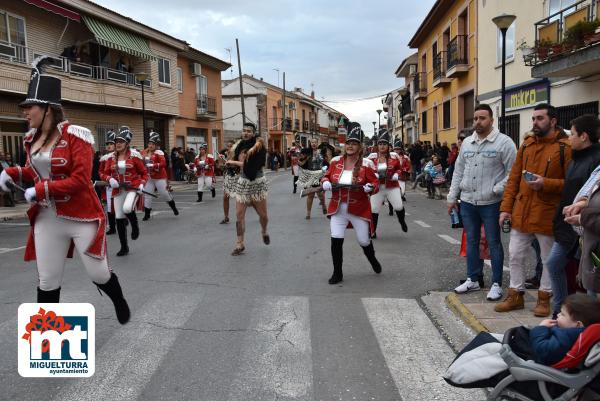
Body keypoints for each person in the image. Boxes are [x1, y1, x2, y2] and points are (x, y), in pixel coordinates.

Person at [0, 56, 129, 323]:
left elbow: (81, 180)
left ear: (47, 108)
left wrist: (42, 189)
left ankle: (118, 298)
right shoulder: (30, 140)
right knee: (47, 280)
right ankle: (49, 340)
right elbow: (33, 173)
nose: (25, 112)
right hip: (47, 218)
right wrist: (10, 173)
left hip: (81, 216)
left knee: (98, 273)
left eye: (30, 106)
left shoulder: (76, 136)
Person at [496, 103, 572, 317]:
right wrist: (505, 209)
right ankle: (515, 295)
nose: (535, 122)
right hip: (522, 210)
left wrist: (546, 183)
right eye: (533, 118)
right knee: (515, 254)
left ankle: (544, 298)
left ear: (553, 121)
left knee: (548, 259)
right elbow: (513, 178)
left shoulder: (565, 148)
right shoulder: (527, 145)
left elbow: (572, 183)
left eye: (540, 118)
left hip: (547, 212)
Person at [449, 104, 517, 301]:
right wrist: (452, 197)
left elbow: (513, 173)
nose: (478, 122)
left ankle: (496, 283)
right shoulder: (468, 143)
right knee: (471, 241)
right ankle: (473, 278)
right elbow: (458, 171)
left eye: (482, 118)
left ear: (491, 120)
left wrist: (497, 189)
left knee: (494, 242)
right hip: (468, 201)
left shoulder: (504, 143)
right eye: (475, 118)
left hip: (492, 202)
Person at [543, 115, 600, 318]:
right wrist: (578, 205)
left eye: (573, 134)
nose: (569, 139)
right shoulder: (577, 158)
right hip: (570, 225)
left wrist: (581, 212)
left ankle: (569, 316)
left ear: (584, 136)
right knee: (558, 266)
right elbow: (585, 193)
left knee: (587, 282)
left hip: (584, 230)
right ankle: (563, 313)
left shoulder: (595, 160)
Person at [321, 122, 381, 284]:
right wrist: (325, 182)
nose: (350, 146)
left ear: (360, 147)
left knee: (363, 241)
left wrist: (370, 188)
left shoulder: (366, 164)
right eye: (348, 143)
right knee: (336, 239)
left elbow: (375, 183)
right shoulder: (335, 162)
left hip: (358, 209)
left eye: (354, 143)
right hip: (337, 209)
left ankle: (373, 259)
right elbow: (326, 176)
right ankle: (337, 273)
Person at [100, 126, 148, 257]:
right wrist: (109, 179)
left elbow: (144, 173)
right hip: (117, 190)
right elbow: (102, 173)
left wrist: (142, 184)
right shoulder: (110, 158)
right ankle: (124, 247)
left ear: (127, 143)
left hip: (132, 188)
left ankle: (134, 225)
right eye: (116, 142)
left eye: (121, 142)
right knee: (119, 217)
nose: (118, 144)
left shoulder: (134, 156)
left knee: (127, 208)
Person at [225, 122, 269, 256]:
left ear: (254, 133)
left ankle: (264, 231)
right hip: (243, 182)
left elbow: (251, 166)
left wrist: (233, 162)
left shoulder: (259, 147)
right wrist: (227, 164)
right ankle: (240, 243)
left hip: (256, 183)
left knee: (263, 215)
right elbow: (237, 166)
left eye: (249, 131)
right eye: (244, 130)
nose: (246, 133)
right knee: (239, 215)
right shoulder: (239, 146)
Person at [367, 129, 408, 238]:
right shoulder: (371, 158)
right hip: (378, 188)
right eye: (380, 144)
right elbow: (366, 169)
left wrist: (397, 174)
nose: (382, 146)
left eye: (384, 144)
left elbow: (399, 169)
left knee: (399, 206)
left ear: (388, 146)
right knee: (373, 209)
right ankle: (372, 231)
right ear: (377, 145)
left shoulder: (394, 157)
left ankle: (402, 221)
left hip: (392, 186)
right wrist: (372, 176)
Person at [142, 131, 179, 220]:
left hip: (160, 177)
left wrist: (154, 165)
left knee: (164, 194)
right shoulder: (144, 152)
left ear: (156, 145)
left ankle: (173, 208)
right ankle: (147, 214)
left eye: (152, 144)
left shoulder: (159, 152)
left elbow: (163, 164)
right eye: (149, 143)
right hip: (149, 177)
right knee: (148, 195)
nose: (150, 145)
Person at [297, 138, 329, 219]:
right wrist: (299, 161)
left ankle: (323, 204)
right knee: (310, 195)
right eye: (312, 142)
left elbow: (326, 163)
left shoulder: (321, 152)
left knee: (320, 194)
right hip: (310, 175)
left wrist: (326, 170)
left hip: (319, 175)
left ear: (317, 143)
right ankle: (308, 213)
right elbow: (301, 162)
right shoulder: (307, 152)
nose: (313, 144)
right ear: (310, 143)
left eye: (315, 142)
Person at [98, 131, 116, 235]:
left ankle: (124, 220)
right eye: (107, 144)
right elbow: (100, 172)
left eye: (111, 144)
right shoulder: (104, 158)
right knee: (110, 206)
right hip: (109, 185)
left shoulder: (122, 155)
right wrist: (108, 178)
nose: (109, 146)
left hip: (122, 185)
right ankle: (113, 227)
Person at [219, 140, 237, 224]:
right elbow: (221, 167)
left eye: (231, 146)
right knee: (225, 197)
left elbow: (239, 165)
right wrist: (222, 162)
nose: (229, 148)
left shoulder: (237, 155)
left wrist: (230, 163)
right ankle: (226, 217)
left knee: (240, 198)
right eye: (228, 146)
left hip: (236, 177)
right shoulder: (225, 155)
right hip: (228, 177)